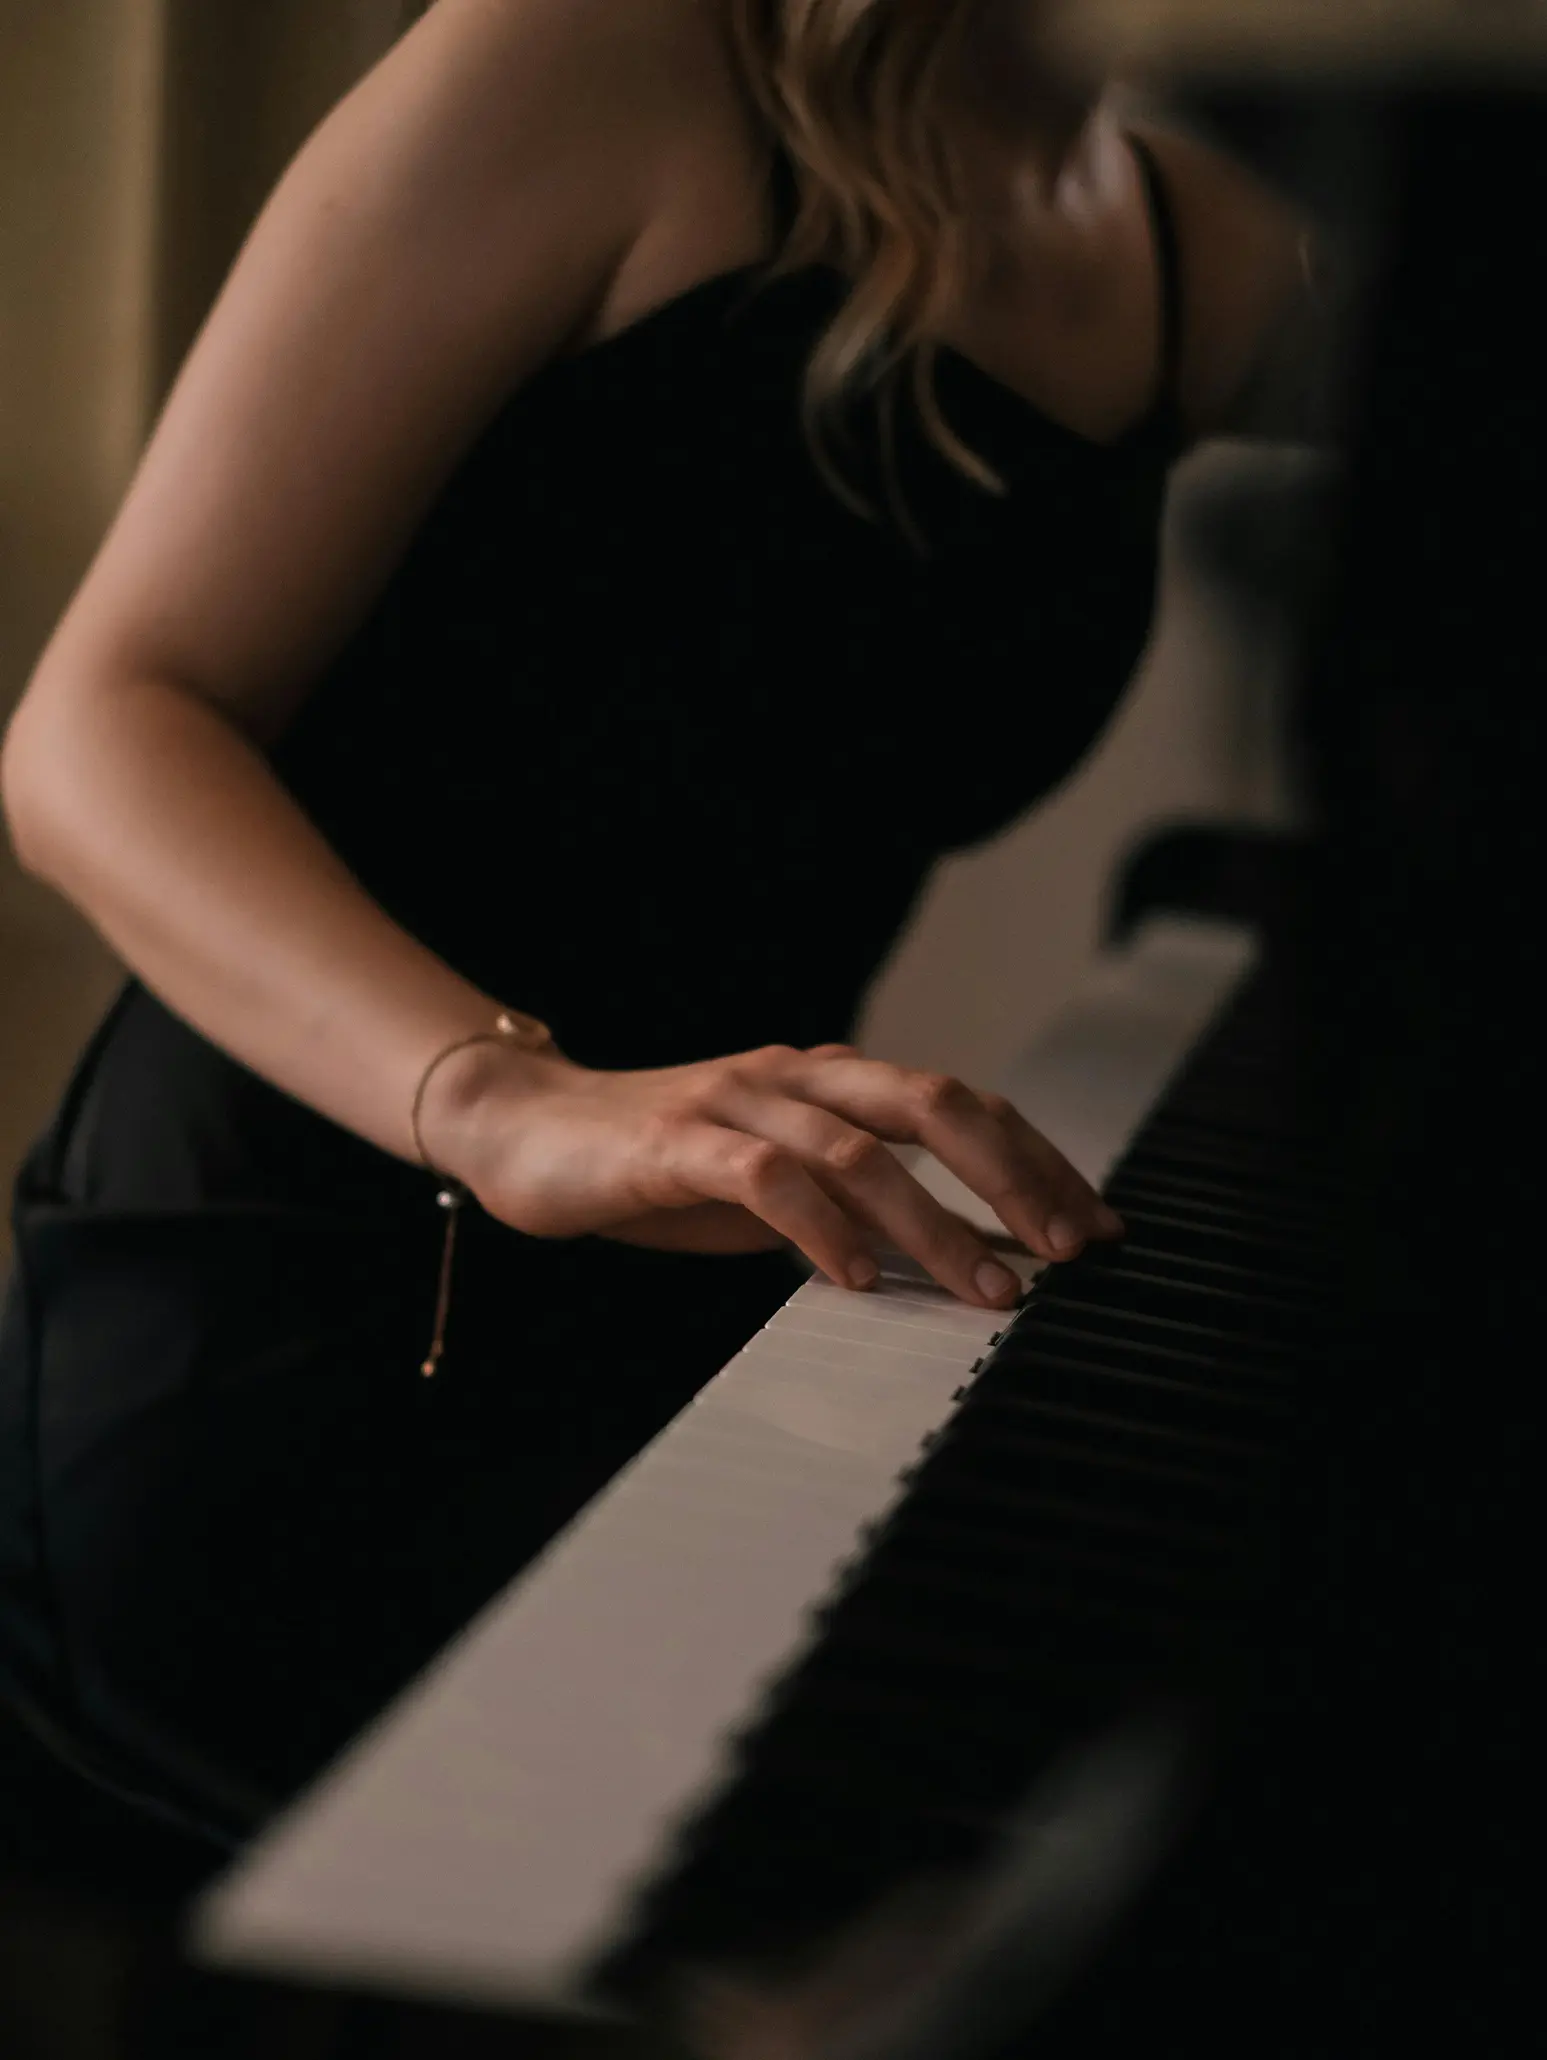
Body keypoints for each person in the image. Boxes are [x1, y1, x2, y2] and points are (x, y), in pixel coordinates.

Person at [0, 0, 1317, 1852]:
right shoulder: (599, 50)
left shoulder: (1192, 239)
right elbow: (105, 724)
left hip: (720, 1312)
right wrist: (508, 1101)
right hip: (298, 1316)